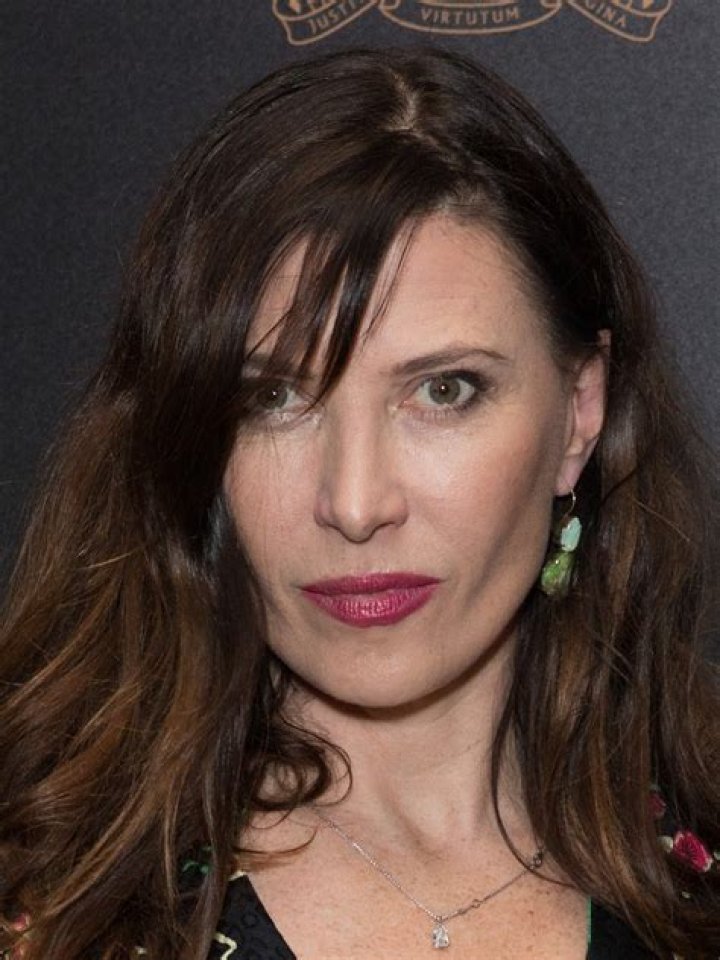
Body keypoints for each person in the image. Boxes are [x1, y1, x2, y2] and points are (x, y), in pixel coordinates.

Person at [0, 47, 718, 960]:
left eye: (444, 391)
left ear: (580, 410)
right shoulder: (45, 904)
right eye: (273, 399)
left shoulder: (698, 875)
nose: (354, 502)